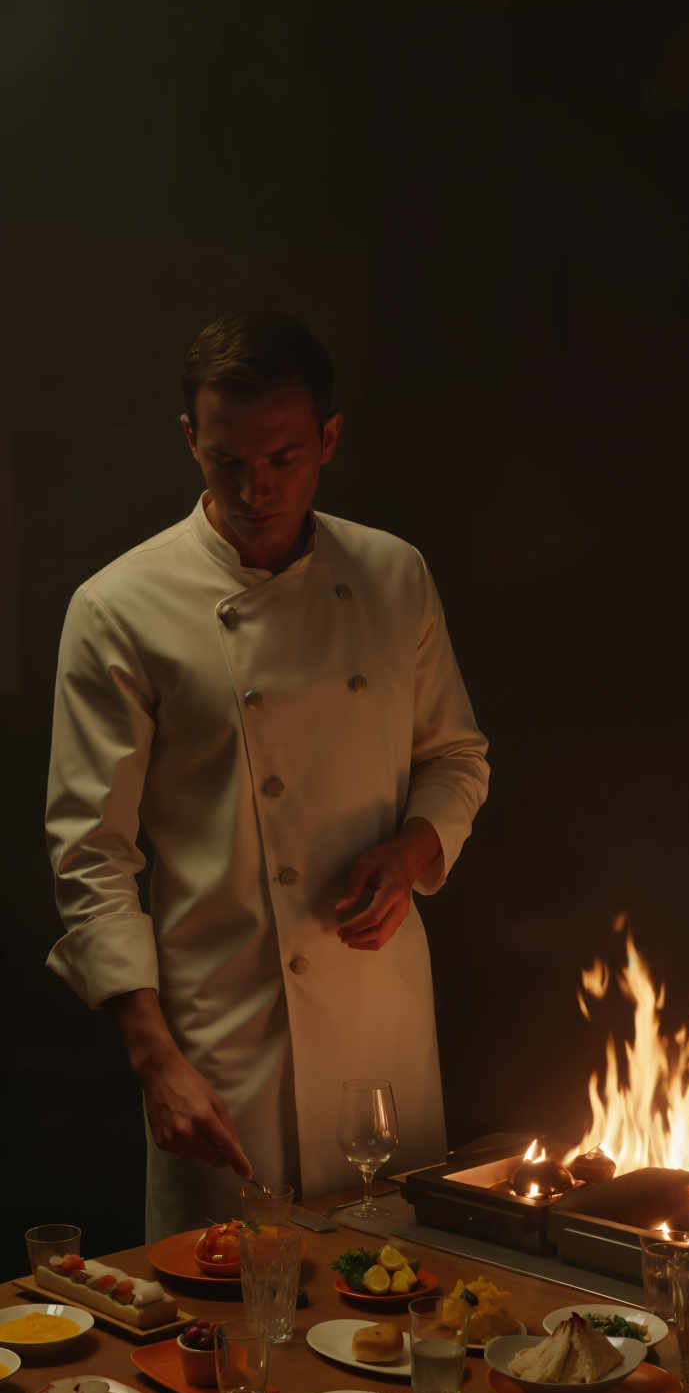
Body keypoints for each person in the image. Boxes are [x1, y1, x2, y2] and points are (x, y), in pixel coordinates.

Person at [45, 311, 489, 1240]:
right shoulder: (118, 607)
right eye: (227, 462)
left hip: (378, 1020)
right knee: (232, 1325)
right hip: (220, 1039)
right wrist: (154, 1060)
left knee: (393, 1303)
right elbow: (91, 854)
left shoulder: (392, 574)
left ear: (328, 438)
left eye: (284, 458)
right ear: (189, 442)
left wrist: (413, 850)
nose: (257, 489)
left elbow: (454, 756)